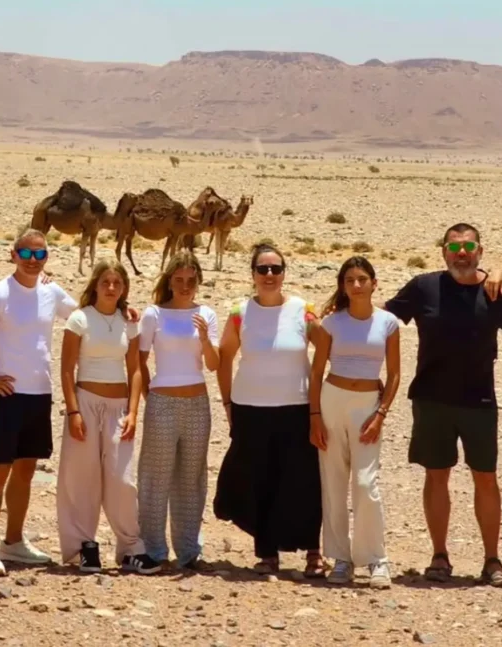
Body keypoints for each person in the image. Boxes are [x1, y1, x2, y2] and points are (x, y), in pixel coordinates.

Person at [383, 222, 502, 586]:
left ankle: (492, 560)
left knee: (486, 478)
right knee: (436, 476)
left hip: (479, 400)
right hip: (432, 399)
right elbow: (381, 318)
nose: (461, 254)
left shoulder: (496, 291)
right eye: (454, 248)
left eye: (468, 247)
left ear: (480, 250)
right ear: (443, 251)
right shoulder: (423, 287)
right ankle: (439, 556)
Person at [0, 228, 77, 576]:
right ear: (13, 254)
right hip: (7, 397)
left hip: (40, 396)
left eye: (40, 255)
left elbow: (82, 317)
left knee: (24, 473)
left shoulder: (51, 291)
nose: (33, 262)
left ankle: (14, 541)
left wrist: (123, 312)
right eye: (27, 255)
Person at [213, 243, 325, 577]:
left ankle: (313, 552)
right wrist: (228, 402)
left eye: (276, 269)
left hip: (297, 408)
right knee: (257, 479)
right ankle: (267, 552)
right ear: (253, 274)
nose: (270, 275)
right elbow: (224, 358)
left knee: (304, 481)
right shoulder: (239, 312)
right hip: (251, 409)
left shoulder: (302, 310)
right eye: (263, 269)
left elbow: (329, 346)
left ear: (284, 273)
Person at [56, 258, 161, 574]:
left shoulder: (130, 322)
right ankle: (83, 546)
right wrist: (73, 410)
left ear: (124, 287)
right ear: (96, 285)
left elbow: (135, 370)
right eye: (106, 282)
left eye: (117, 283)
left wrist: (132, 411)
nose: (111, 288)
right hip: (85, 404)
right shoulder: (79, 319)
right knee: (81, 477)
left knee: (121, 479)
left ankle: (130, 548)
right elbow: (66, 369)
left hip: (118, 408)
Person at [309, 256, 401, 589]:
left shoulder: (388, 323)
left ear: (374, 283)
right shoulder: (332, 324)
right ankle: (341, 559)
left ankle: (375, 559)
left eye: (363, 279)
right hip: (332, 400)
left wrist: (381, 414)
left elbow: (393, 375)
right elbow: (317, 371)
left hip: (368, 406)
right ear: (343, 286)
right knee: (333, 482)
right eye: (350, 280)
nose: (357, 285)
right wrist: (314, 417)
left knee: (366, 484)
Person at [137, 250, 219, 570]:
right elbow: (139, 361)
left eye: (191, 280)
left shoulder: (206, 315)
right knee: (155, 476)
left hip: (197, 403)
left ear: (198, 281)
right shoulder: (154, 314)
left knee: (192, 477)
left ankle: (188, 549)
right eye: (179, 280)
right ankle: (154, 549)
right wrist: (148, 396)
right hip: (162, 402)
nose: (185, 286)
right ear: (170, 280)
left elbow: (213, 365)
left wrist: (204, 337)